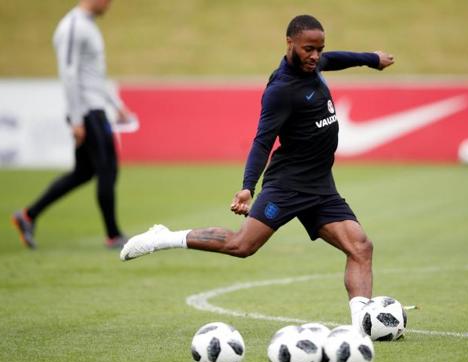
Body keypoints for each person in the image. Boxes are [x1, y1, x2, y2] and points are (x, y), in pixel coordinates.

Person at [121, 15, 394, 326]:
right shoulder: (281, 90)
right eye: (308, 49)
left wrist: (372, 59)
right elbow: (263, 141)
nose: (316, 56)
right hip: (288, 184)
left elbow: (335, 58)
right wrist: (248, 186)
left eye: (319, 49)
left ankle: (363, 325)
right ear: (289, 44)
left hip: (320, 185)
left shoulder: (313, 63)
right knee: (242, 245)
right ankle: (165, 238)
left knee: (360, 246)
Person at [12, 0, 131, 249]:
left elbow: (93, 74)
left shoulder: (87, 25)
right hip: (87, 111)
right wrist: (77, 119)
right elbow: (68, 73)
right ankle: (113, 235)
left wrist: (115, 103)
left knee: (84, 173)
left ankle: (28, 215)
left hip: (95, 108)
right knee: (107, 169)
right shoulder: (73, 26)